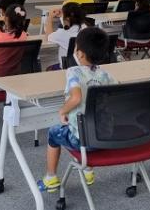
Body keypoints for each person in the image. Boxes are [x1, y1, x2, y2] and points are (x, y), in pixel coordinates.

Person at [37, 26, 113, 192]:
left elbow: (76, 98)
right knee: (88, 121)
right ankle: (88, 172)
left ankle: (50, 178)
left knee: (54, 133)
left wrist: (62, 111)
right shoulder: (106, 75)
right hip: (107, 136)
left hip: (83, 140)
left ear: (79, 53)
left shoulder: (73, 72)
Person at [45, 2, 85, 69]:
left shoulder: (62, 33)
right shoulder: (86, 28)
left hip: (67, 69)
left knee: (49, 68)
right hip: (84, 67)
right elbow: (68, 23)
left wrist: (49, 17)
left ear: (67, 18)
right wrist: (63, 16)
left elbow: (48, 36)